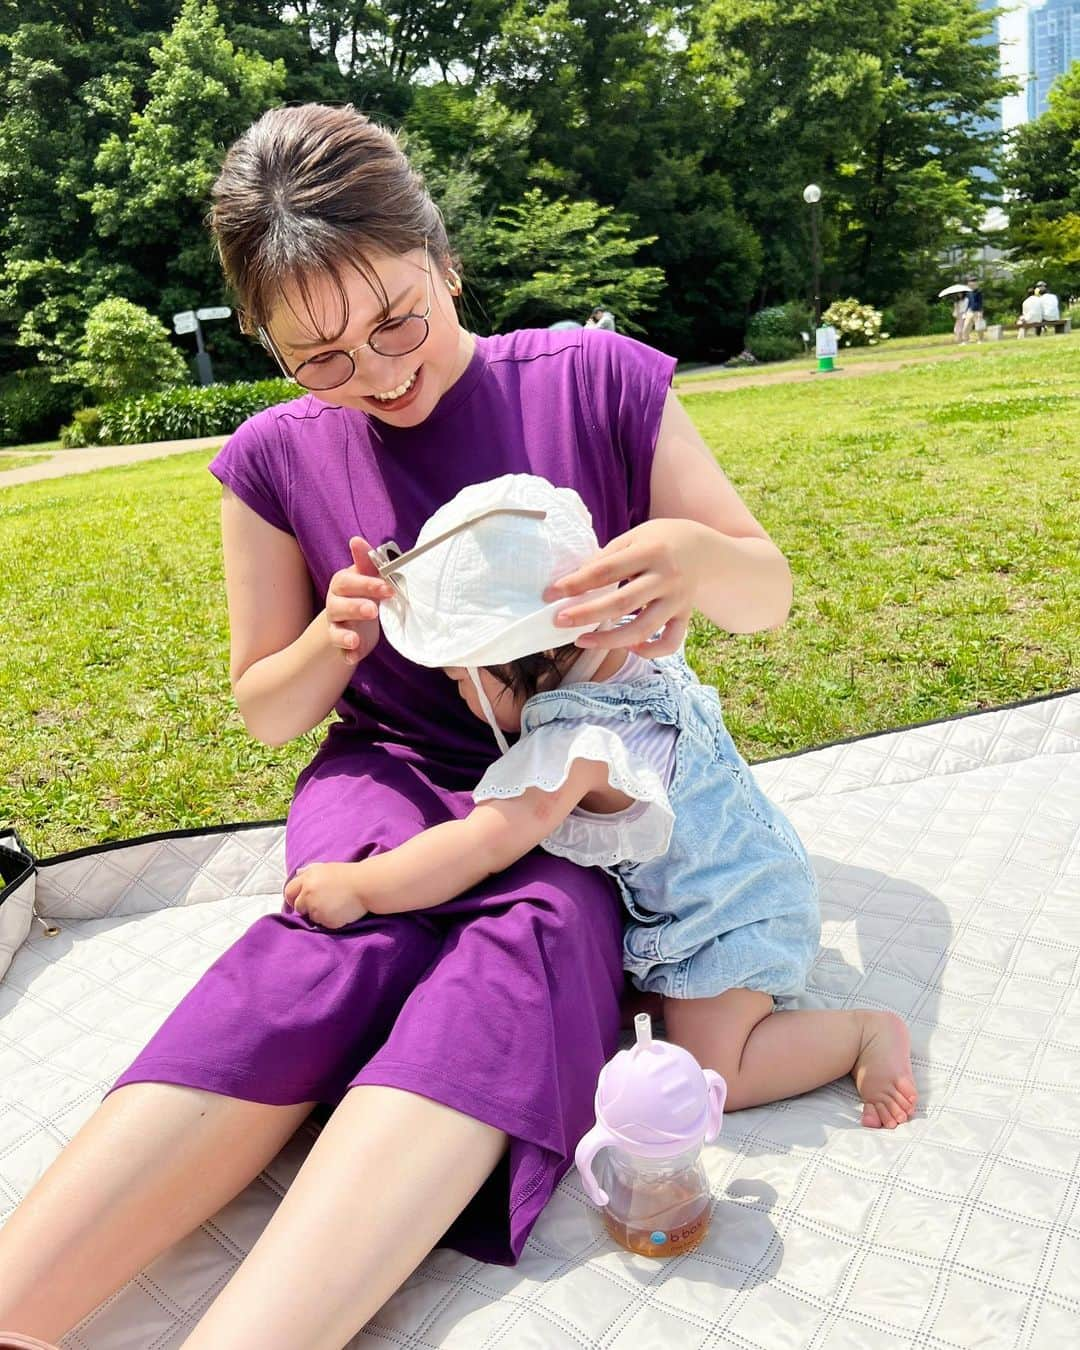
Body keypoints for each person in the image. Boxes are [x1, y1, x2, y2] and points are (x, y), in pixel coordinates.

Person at [0, 103, 800, 1349]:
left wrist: (695, 556)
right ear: (268, 347)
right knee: (333, 928)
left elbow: (769, 592)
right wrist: (331, 639)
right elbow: (266, 709)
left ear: (446, 259)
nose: (375, 375)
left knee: (537, 929)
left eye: (397, 321)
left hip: (567, 786)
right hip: (387, 769)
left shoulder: (591, 380)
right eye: (317, 356)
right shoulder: (276, 459)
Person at [286, 472, 918, 1136]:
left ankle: (861, 1034)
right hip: (753, 866)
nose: (459, 699)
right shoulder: (635, 652)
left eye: (458, 678)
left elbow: (482, 843)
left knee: (717, 1071)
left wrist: (362, 885)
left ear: (515, 661)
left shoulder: (575, 747)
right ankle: (676, 991)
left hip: (733, 921)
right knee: (644, 1009)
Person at [961, 274, 985, 342]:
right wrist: (965, 312)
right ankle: (965, 340)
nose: (973, 283)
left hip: (977, 311)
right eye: (971, 282)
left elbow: (980, 303)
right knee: (966, 327)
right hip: (969, 311)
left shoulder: (978, 292)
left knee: (979, 327)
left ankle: (981, 340)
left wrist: (980, 312)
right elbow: (968, 303)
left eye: (974, 282)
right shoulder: (968, 292)